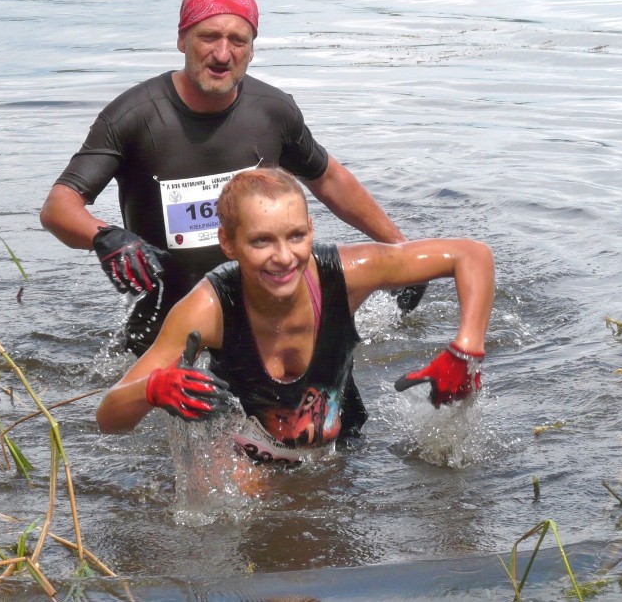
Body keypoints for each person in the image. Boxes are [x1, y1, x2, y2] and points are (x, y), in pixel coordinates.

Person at [40, 0, 424, 435]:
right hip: (178, 327)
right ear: (182, 39)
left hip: (267, 316)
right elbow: (59, 205)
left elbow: (329, 178)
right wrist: (105, 236)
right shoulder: (135, 117)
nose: (222, 53)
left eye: (237, 40)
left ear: (251, 48)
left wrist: (397, 246)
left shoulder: (272, 111)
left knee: (334, 438)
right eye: (208, 37)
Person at [95, 167, 494, 463]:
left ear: (311, 229)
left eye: (296, 236)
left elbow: (471, 255)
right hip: (246, 456)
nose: (284, 257)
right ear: (228, 243)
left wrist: (465, 350)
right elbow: (109, 417)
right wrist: (153, 389)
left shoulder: (347, 274)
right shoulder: (206, 308)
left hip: (336, 441)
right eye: (261, 241)